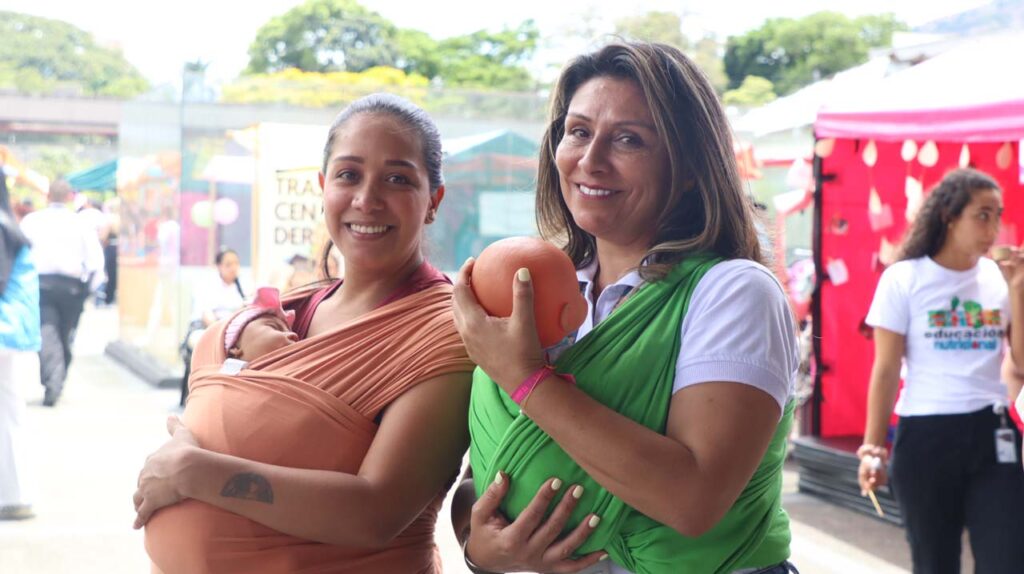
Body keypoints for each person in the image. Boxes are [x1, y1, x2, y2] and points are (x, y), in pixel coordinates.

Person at [451, 41, 799, 574]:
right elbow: (493, 471)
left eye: (629, 140)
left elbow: (692, 500)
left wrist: (527, 380)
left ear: (687, 167)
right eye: (579, 132)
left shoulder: (733, 293)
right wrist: (479, 548)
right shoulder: (538, 285)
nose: (591, 161)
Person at [134, 93, 475, 573]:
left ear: (433, 201)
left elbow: (376, 512)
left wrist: (192, 472)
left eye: (397, 179)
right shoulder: (289, 311)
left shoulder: (448, 331)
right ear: (323, 187)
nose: (367, 199)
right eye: (348, 175)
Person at [859, 168, 1024, 574]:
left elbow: (1020, 361)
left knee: (1007, 559)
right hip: (925, 435)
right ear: (949, 216)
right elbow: (885, 368)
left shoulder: (998, 279)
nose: (993, 227)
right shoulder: (905, 278)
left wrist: (1018, 290)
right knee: (935, 563)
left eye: (997, 215)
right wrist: (873, 448)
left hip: (992, 433)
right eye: (982, 214)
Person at [19, 179, 103, 407]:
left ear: (47, 196)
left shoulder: (32, 221)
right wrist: (90, 291)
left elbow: (19, 254)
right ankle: (55, 381)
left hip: (42, 285)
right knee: (64, 334)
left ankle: (53, 381)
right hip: (72, 288)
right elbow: (96, 261)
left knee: (48, 333)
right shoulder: (79, 224)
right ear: (68, 197)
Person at [0, 164, 41, 520]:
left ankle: (14, 495)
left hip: (3, 332)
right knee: (10, 413)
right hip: (13, 335)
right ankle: (15, 495)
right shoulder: (10, 227)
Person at [179, 247, 246, 406]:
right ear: (219, 266)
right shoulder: (208, 285)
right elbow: (206, 315)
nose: (233, 268)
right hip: (209, 329)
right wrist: (222, 331)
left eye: (236, 263)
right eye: (228, 264)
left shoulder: (243, 285)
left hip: (235, 330)